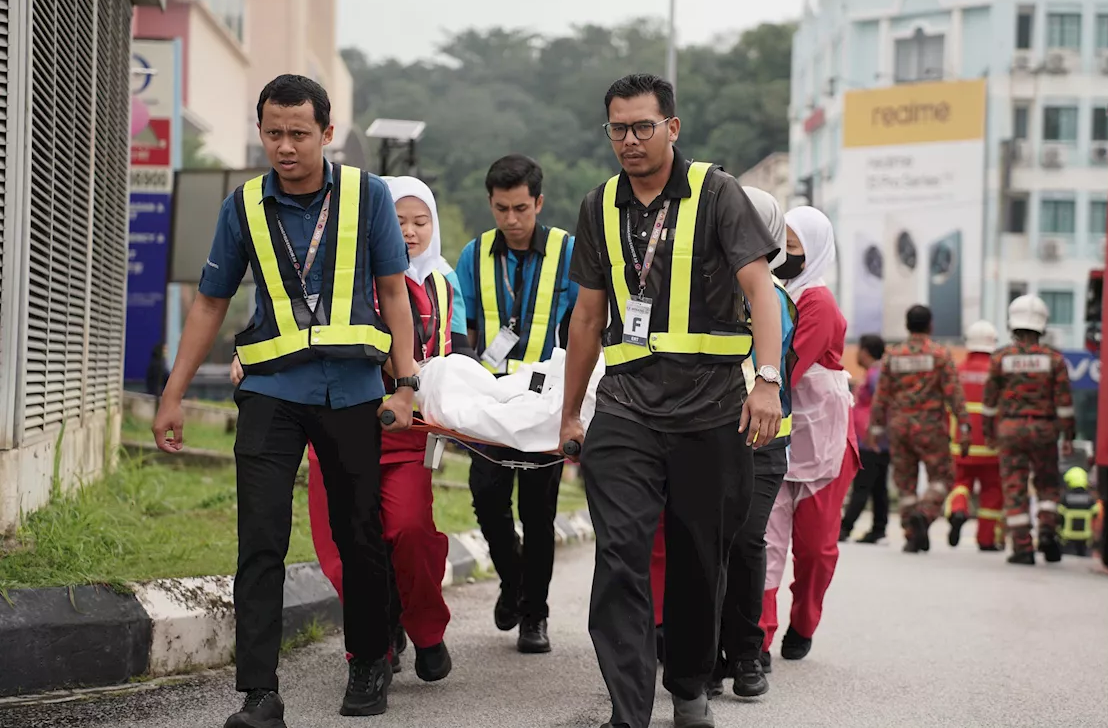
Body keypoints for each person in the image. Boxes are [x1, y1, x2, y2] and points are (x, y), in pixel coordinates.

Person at [153, 75, 419, 726]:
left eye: (299, 133)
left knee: (360, 533)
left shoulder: (367, 194)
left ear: (327, 133)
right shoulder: (243, 205)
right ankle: (259, 693)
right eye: (273, 133)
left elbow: (392, 291)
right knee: (262, 538)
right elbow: (212, 302)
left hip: (353, 391)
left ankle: (368, 660)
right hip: (271, 392)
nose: (285, 146)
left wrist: (406, 382)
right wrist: (174, 393)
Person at [559, 73, 783, 728]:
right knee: (621, 555)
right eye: (617, 129)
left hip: (710, 412)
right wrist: (572, 410)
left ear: (672, 128)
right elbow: (586, 317)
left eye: (642, 127)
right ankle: (628, 711)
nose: (628, 140)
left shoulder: (719, 195)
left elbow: (760, 289)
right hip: (626, 409)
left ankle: (688, 685)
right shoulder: (598, 205)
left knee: (696, 559)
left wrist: (765, 379)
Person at [230, 175, 468, 683]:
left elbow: (456, 359)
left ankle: (425, 629)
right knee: (343, 548)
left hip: (405, 432)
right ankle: (377, 642)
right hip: (333, 420)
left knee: (409, 533)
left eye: (418, 222)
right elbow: (277, 315)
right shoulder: (334, 273)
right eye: (395, 221)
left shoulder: (438, 287)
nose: (405, 232)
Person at [648, 185, 798, 700]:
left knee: (745, 543)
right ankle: (704, 658)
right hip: (704, 436)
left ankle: (746, 653)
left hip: (762, 443)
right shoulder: (700, 289)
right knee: (704, 546)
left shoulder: (772, 297)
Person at [454, 154, 578, 654]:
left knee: (538, 510)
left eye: (521, 208)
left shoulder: (568, 251)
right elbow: (460, 325)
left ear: (538, 203)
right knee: (486, 498)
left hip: (543, 399)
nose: (511, 219)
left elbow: (583, 323)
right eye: (502, 208)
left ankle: (535, 617)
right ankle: (513, 579)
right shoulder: (473, 254)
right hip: (489, 398)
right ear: (490, 203)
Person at [759, 206, 857, 664]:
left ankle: (804, 621)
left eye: (794, 250)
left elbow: (787, 368)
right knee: (767, 541)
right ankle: (756, 638)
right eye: (781, 246)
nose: (784, 257)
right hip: (774, 434)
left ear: (814, 253)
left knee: (815, 549)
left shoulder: (817, 302)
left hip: (821, 444)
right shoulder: (770, 292)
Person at [982, 295, 1074, 566]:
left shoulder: (1000, 358)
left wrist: (989, 433)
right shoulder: (1054, 360)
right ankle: (1047, 529)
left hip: (1010, 428)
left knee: (1014, 487)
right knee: (1047, 483)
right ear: (1042, 325)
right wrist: (1068, 436)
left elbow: (988, 403)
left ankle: (1022, 547)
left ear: (1012, 324)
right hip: (1044, 429)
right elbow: (1065, 405)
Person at [870, 305, 969, 553]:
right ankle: (924, 514)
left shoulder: (893, 355)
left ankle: (911, 533)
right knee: (943, 477)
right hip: (930, 427)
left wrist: (875, 427)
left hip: (900, 426)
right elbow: (953, 394)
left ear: (907, 325)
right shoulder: (939, 355)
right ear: (930, 325)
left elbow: (881, 395)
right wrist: (964, 425)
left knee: (905, 484)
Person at [944, 320, 1005, 552]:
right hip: (992, 447)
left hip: (962, 445)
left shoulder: (957, 371)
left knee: (960, 483)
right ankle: (987, 540)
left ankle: (959, 510)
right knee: (992, 491)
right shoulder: (998, 372)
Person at [841, 334, 890, 544]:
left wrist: (874, 434)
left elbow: (882, 405)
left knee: (862, 485)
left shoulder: (876, 375)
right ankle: (879, 528)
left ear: (866, 351)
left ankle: (844, 528)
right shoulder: (874, 373)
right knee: (878, 487)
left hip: (872, 441)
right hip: (874, 440)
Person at [1058, 466, 1099, 557]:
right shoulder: (1090, 499)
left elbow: (1059, 516)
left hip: (1067, 540)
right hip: (1085, 540)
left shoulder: (1065, 499)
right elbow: (1096, 514)